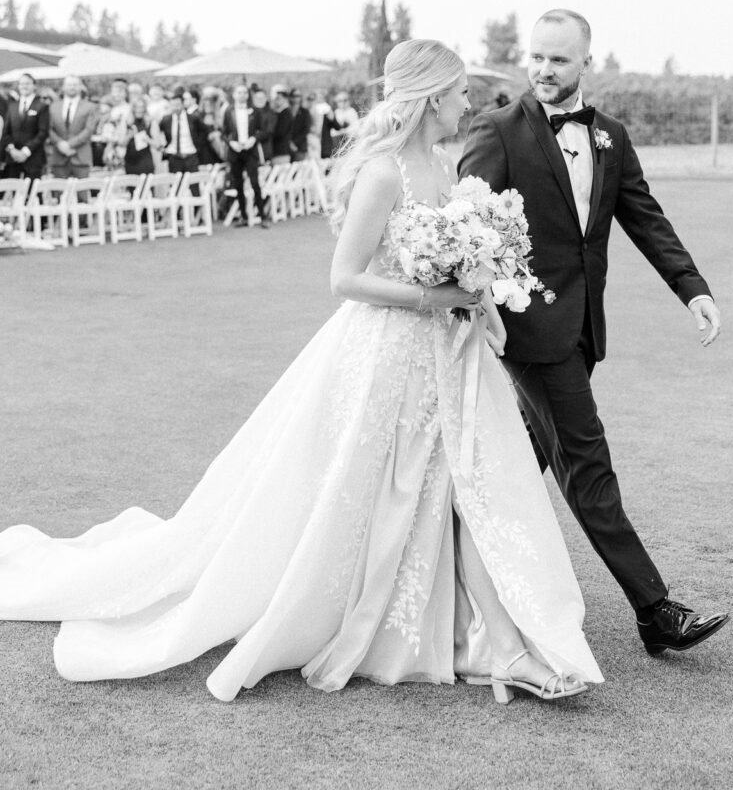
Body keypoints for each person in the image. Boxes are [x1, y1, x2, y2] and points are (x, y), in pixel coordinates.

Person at [0, 39, 603, 705]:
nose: (468, 104)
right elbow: (345, 278)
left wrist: (480, 286)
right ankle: (485, 643)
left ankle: (504, 645)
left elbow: (454, 256)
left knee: (464, 493)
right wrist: (438, 296)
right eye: (460, 93)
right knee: (386, 492)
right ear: (433, 97)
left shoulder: (442, 164)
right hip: (387, 354)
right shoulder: (382, 174)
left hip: (446, 354)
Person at [459, 9, 729, 656]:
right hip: (529, 334)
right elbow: (466, 234)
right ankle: (654, 610)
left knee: (520, 464)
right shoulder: (496, 132)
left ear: (587, 63)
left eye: (558, 59)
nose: (543, 69)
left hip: (583, 327)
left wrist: (691, 288)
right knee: (588, 465)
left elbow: (644, 217)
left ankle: (452, 572)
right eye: (537, 57)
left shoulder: (609, 135)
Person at [220, 83, 271, 228]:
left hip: (250, 151)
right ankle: (243, 216)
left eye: (244, 92)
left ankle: (262, 216)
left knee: (255, 183)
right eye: (239, 92)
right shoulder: (228, 111)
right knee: (238, 184)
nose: (242, 95)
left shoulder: (255, 111)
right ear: (234, 95)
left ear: (247, 95)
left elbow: (263, 131)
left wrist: (253, 139)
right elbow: (223, 133)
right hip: (235, 152)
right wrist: (231, 143)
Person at [0, 73, 50, 181]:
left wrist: (25, 151)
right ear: (18, 86)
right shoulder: (12, 106)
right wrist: (12, 149)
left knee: (33, 193)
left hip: (33, 157)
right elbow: (5, 132)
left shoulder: (42, 106)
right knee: (15, 194)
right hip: (13, 158)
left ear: (34, 86)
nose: (24, 86)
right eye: (22, 84)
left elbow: (43, 132)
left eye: (27, 83)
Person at [47, 75, 97, 179]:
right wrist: (60, 143)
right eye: (69, 84)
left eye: (75, 84)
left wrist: (69, 145)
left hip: (81, 157)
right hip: (59, 157)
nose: (72, 87)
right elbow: (48, 129)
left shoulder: (90, 107)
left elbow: (89, 130)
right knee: (58, 192)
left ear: (80, 87)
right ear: (63, 87)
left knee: (82, 193)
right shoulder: (53, 107)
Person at [159, 88, 207, 174]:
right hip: (173, 157)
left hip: (191, 156)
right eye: (173, 105)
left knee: (193, 184)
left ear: (183, 104)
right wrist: (163, 147)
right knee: (175, 185)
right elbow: (157, 133)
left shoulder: (193, 118)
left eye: (177, 105)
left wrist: (199, 147)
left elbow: (204, 131)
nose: (175, 108)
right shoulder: (166, 120)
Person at [121, 94, 162, 176]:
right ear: (133, 108)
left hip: (145, 162)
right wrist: (129, 136)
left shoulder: (150, 122)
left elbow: (158, 145)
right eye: (136, 107)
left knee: (147, 187)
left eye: (141, 107)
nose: (139, 110)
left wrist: (147, 140)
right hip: (130, 162)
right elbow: (121, 143)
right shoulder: (127, 122)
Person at [269, 86, 293, 164]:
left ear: (285, 99)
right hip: (277, 151)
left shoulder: (285, 113)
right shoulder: (279, 113)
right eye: (276, 99)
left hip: (281, 152)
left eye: (279, 98)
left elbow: (280, 132)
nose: (276, 101)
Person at [288, 88, 311, 162]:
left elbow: (306, 130)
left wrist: (294, 143)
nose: (295, 98)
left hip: (300, 147)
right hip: (287, 147)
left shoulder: (305, 112)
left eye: (298, 96)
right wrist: (289, 142)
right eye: (293, 96)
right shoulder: (286, 112)